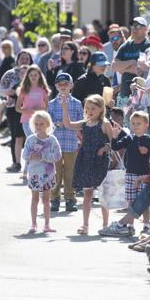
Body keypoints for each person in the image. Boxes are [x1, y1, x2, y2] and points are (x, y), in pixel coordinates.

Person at [62, 94, 114, 235]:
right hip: (85, 160)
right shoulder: (85, 123)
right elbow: (68, 124)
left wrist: (104, 149)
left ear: (101, 109)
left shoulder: (105, 123)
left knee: (103, 194)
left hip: (100, 162)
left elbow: (112, 143)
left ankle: (105, 224)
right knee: (87, 194)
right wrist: (65, 108)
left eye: (93, 108)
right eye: (88, 108)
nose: (90, 111)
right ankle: (85, 225)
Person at [101, 111, 150, 236]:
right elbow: (116, 147)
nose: (135, 126)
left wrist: (147, 151)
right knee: (131, 201)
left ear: (146, 125)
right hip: (130, 174)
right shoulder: (129, 138)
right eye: (133, 123)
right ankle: (130, 226)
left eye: (139, 123)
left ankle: (146, 225)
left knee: (144, 201)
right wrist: (114, 136)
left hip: (144, 175)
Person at [22, 111, 62, 234]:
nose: (39, 126)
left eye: (41, 124)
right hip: (34, 173)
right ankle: (33, 224)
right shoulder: (30, 139)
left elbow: (58, 155)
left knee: (46, 200)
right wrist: (31, 155)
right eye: (37, 124)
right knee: (34, 199)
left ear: (47, 124)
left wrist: (44, 156)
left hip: (48, 174)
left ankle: (47, 224)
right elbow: (24, 155)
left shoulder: (52, 140)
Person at [47, 73, 82, 212]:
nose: (62, 86)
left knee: (70, 172)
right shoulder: (51, 104)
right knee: (55, 172)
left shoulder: (77, 103)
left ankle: (70, 199)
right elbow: (48, 123)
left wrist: (70, 124)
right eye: (59, 84)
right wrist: (57, 123)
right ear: (55, 86)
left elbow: (81, 122)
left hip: (71, 143)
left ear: (71, 85)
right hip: (55, 144)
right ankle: (54, 198)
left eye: (65, 84)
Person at [0, 51, 33, 172]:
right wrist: (11, 92)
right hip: (13, 108)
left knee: (31, 137)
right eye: (22, 58)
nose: (24, 60)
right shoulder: (10, 73)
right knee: (16, 136)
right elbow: (1, 89)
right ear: (17, 60)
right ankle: (16, 163)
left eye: (27, 58)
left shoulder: (34, 73)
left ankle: (31, 164)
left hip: (31, 109)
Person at [111, 17, 150, 106]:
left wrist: (123, 69)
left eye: (138, 26)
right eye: (133, 25)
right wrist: (132, 62)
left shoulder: (148, 46)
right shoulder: (125, 46)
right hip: (125, 93)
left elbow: (142, 69)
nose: (134, 28)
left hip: (141, 95)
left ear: (145, 29)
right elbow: (114, 66)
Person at [16, 64, 50, 137]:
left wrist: (39, 109)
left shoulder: (43, 90)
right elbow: (17, 108)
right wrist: (28, 111)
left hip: (39, 121)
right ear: (28, 76)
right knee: (31, 142)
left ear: (39, 76)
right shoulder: (24, 89)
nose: (33, 77)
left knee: (39, 142)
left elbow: (48, 107)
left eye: (35, 75)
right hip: (26, 121)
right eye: (31, 75)